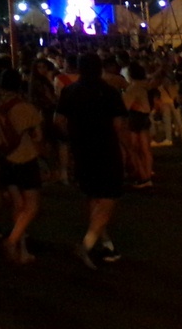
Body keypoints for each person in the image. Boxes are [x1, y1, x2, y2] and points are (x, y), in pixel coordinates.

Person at [55, 52, 126, 269]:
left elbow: (58, 120)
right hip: (106, 149)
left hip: (81, 149)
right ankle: (87, 244)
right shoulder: (109, 92)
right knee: (108, 198)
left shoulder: (69, 91)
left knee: (92, 196)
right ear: (100, 68)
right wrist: (127, 150)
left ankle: (104, 242)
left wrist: (73, 135)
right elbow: (118, 126)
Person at [0, 69, 43, 264]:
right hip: (25, 160)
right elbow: (38, 136)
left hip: (4, 159)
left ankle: (23, 249)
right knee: (31, 206)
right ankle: (12, 241)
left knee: (17, 205)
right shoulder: (24, 107)